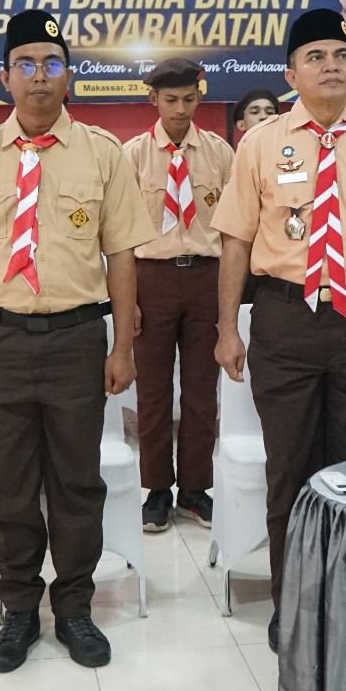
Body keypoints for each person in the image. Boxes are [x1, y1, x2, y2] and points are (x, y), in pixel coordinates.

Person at [0, 10, 155, 673]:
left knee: (77, 481)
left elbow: (122, 257)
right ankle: (20, 607)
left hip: (75, 340)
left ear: (69, 76)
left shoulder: (103, 154)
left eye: (51, 64)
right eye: (25, 64)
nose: (38, 76)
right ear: (4, 77)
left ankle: (76, 606)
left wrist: (121, 347)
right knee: (7, 484)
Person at [212, 8, 346, 654]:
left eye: (340, 54)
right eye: (315, 57)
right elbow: (235, 242)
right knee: (291, 470)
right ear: (291, 74)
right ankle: (295, 602)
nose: (331, 65)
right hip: (285, 320)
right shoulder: (260, 144)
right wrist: (227, 328)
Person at [122, 57, 234, 531]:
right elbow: (120, 237)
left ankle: (194, 489)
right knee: (152, 392)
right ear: (154, 100)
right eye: (171, 100)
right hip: (152, 279)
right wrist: (127, 301)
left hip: (207, 277)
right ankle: (156, 491)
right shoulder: (132, 155)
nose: (181, 109)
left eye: (189, 99)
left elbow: (233, 232)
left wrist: (228, 304)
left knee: (202, 392)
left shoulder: (220, 153)